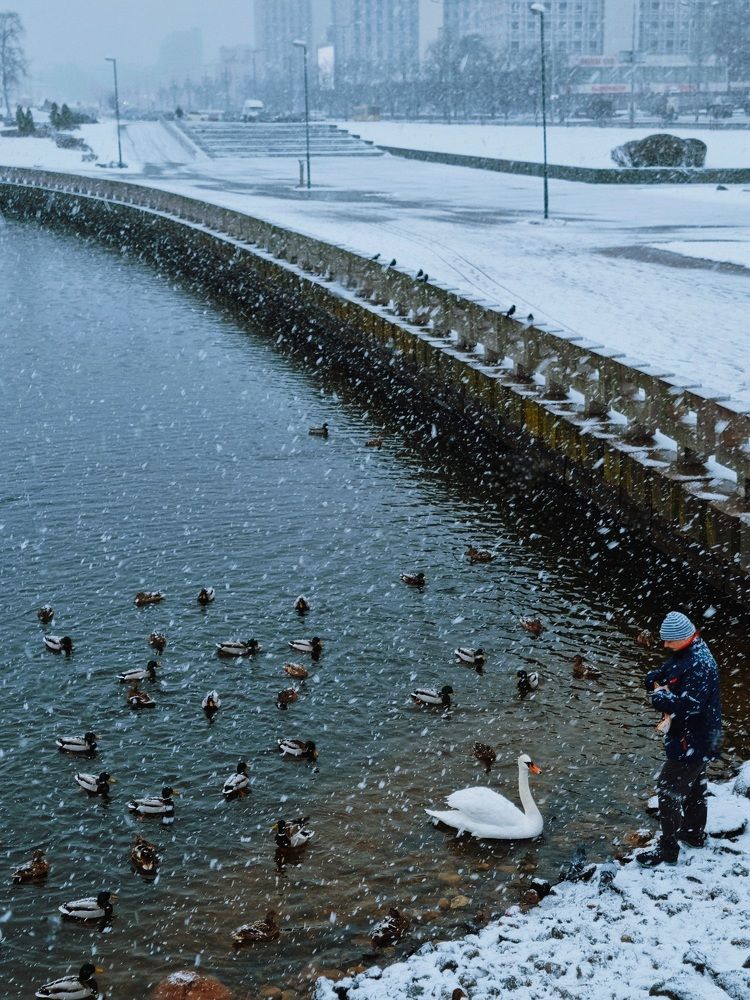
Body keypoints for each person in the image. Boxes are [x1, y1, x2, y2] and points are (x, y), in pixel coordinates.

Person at [637, 611, 722, 867]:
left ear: (684, 637)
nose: (664, 645)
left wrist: (659, 699)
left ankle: (668, 849)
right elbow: (673, 669)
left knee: (668, 790)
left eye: (668, 641)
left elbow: (690, 705)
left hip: (692, 738)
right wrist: (656, 676)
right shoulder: (690, 651)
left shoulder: (701, 664)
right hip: (703, 737)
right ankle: (694, 834)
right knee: (695, 786)